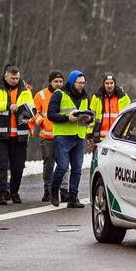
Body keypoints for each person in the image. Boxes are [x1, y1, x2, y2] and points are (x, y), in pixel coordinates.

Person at [0, 64, 35, 205]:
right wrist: (7, 106)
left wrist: (28, 114)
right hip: (0, 135)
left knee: (18, 167)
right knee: (1, 166)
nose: (15, 80)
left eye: (17, 77)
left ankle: (14, 192)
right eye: (12, 78)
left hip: (20, 136)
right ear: (5, 76)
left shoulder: (25, 90)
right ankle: (2, 194)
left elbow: (32, 108)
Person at [47, 69, 92, 208]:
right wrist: (68, 118)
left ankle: (73, 197)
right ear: (72, 82)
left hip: (78, 137)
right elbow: (51, 115)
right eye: (79, 83)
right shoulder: (59, 94)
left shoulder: (85, 97)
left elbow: (90, 116)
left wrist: (89, 119)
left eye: (84, 83)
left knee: (77, 169)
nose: (82, 85)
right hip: (63, 137)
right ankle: (54, 190)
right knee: (62, 167)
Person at [33, 70, 69, 203]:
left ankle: (64, 191)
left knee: (64, 165)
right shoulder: (40, 95)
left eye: (61, 81)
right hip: (47, 136)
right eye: (56, 81)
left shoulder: (67, 94)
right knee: (49, 164)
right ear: (50, 81)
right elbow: (33, 111)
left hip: (64, 136)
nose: (59, 84)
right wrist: (40, 121)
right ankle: (47, 189)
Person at [89, 73, 131, 145]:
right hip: (100, 138)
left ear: (115, 83)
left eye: (111, 83)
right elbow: (91, 118)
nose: (109, 85)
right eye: (107, 83)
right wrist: (89, 134)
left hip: (118, 138)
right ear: (103, 84)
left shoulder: (124, 98)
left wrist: (125, 134)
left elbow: (129, 117)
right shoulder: (96, 98)